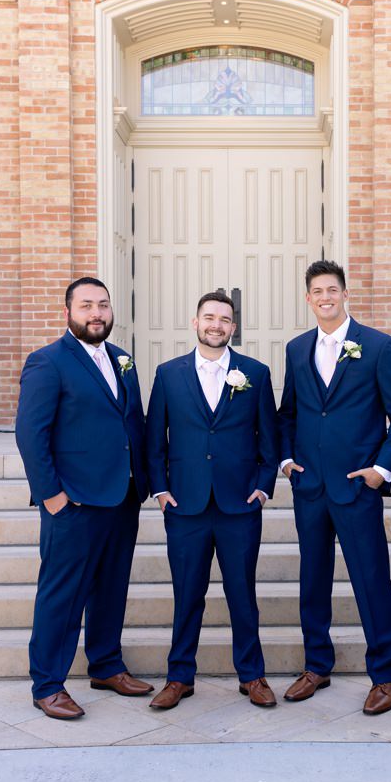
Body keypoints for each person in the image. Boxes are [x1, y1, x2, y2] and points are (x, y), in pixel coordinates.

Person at [276, 260, 391, 715]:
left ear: (344, 293)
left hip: (358, 486)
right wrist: (287, 460)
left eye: (332, 289)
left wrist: (381, 470)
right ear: (308, 298)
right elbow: (289, 413)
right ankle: (316, 664)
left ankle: (385, 676)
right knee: (312, 580)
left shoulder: (377, 346)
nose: (325, 297)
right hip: (310, 486)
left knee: (370, 580)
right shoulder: (297, 349)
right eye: (317, 291)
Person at [14, 277, 152, 720]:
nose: (96, 313)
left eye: (103, 305)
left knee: (112, 588)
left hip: (121, 495)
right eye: (87, 305)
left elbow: (132, 422)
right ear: (69, 311)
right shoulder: (47, 362)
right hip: (72, 502)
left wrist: (143, 481)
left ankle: (106, 665)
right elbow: (30, 434)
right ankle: (48, 684)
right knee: (63, 593)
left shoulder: (122, 359)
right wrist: (51, 495)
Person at [143, 291, 279, 709]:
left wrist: (263, 485)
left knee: (243, 593)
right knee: (187, 594)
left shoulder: (255, 373)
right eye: (209, 317)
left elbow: (269, 439)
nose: (216, 325)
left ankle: (252, 675)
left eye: (224, 319)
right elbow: (154, 441)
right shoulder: (168, 374)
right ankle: (179, 676)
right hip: (186, 505)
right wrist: (162, 490)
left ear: (233, 327)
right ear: (195, 322)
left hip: (239, 504)